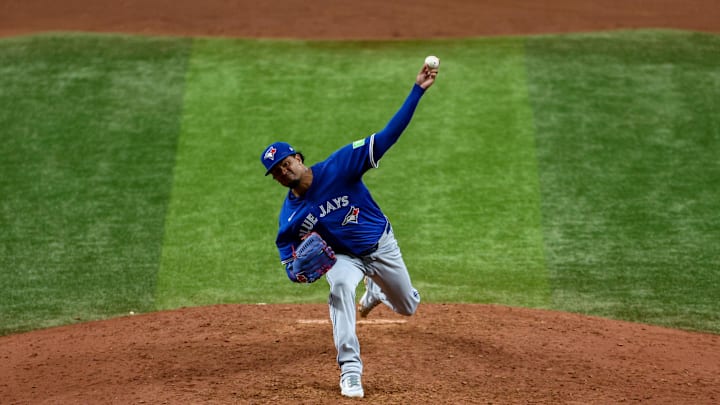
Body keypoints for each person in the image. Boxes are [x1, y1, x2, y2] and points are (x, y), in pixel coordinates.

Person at [260, 60, 438, 398]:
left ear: (298, 158)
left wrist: (417, 91)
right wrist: (295, 271)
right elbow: (288, 262)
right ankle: (350, 371)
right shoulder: (290, 218)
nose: (284, 172)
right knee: (340, 287)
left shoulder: (341, 165)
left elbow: (387, 136)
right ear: (276, 179)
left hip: (381, 246)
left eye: (286, 163)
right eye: (277, 172)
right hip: (344, 258)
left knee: (408, 307)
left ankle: (376, 292)